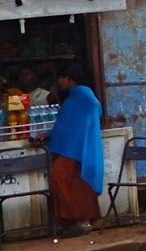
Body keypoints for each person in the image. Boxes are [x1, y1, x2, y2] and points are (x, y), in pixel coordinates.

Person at [41, 62, 104, 233]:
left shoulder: (81, 96)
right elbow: (66, 123)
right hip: (75, 147)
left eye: (61, 79)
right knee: (78, 181)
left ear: (69, 79)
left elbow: (86, 115)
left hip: (75, 148)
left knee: (61, 177)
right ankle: (86, 218)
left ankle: (80, 219)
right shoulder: (78, 96)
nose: (59, 82)